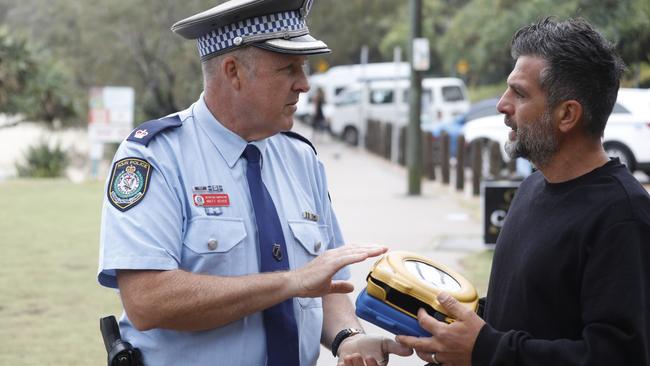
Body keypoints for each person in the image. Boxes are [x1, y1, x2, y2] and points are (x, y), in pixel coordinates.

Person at [96, 1, 412, 365]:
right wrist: (290, 282)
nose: (304, 84)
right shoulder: (156, 157)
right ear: (233, 73)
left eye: (304, 68)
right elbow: (148, 301)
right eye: (288, 68)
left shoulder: (301, 158)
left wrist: (347, 338)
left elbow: (325, 286)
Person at [396, 17, 650, 365]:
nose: (502, 104)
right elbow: (525, 312)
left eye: (519, 93)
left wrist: (483, 348)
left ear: (567, 114)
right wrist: (452, 330)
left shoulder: (622, 216)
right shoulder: (532, 187)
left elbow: (617, 356)